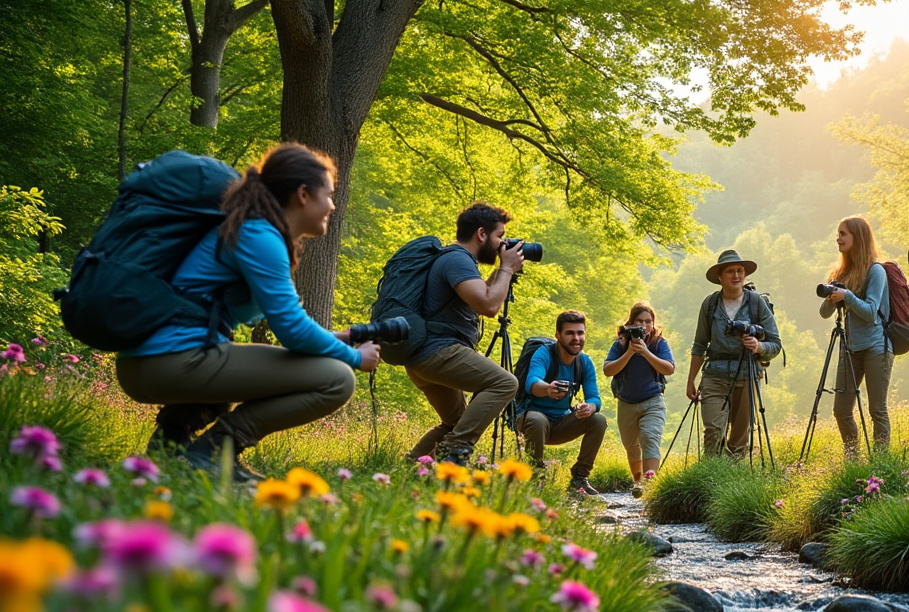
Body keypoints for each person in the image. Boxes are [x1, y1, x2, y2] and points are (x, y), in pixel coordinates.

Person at [116, 143, 380, 481]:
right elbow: (293, 330)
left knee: (251, 356)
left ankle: (172, 444)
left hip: (155, 362)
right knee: (336, 378)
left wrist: (334, 339)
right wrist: (354, 358)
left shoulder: (253, 229)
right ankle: (214, 452)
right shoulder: (259, 234)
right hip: (167, 362)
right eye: (328, 195)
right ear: (302, 194)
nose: (332, 205)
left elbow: (285, 329)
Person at [402, 203, 525, 464]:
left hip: (421, 357)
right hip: (438, 351)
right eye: (499, 236)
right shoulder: (457, 259)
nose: (502, 243)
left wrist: (499, 273)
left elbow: (478, 298)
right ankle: (454, 454)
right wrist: (506, 268)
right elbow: (489, 306)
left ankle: (410, 470)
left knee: (456, 422)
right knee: (505, 383)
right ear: (481, 233)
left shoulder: (455, 259)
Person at [685, 250, 782, 458]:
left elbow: (775, 344)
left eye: (740, 271)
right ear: (720, 277)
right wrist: (691, 380)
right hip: (714, 376)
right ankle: (710, 479)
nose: (736, 275)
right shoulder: (710, 304)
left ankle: (731, 480)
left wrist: (758, 347)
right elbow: (699, 344)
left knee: (740, 436)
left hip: (747, 376)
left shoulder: (756, 303)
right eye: (731, 271)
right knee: (713, 429)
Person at [819, 216, 893, 456]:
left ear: (858, 238)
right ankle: (852, 459)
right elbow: (824, 313)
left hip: (876, 347)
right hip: (850, 348)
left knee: (877, 410)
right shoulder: (841, 272)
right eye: (838, 233)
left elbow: (872, 312)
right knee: (841, 409)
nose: (838, 238)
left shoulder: (876, 271)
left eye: (843, 234)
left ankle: (881, 464)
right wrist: (833, 295)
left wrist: (847, 296)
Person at [519, 310, 607, 496]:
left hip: (561, 423)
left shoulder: (584, 362)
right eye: (570, 333)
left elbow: (594, 398)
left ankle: (579, 478)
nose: (576, 338)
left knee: (598, 420)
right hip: (531, 420)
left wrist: (589, 407)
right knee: (536, 419)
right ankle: (536, 474)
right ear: (558, 335)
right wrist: (547, 389)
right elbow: (531, 382)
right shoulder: (543, 354)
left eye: (580, 333)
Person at [604, 301, 675, 497]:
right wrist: (629, 352)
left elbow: (668, 368)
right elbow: (608, 370)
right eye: (639, 321)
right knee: (631, 446)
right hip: (626, 402)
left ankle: (650, 485)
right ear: (631, 323)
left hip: (652, 400)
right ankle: (638, 483)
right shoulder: (620, 344)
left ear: (653, 323)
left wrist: (645, 352)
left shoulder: (659, 343)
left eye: (648, 321)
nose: (644, 326)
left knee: (649, 438)